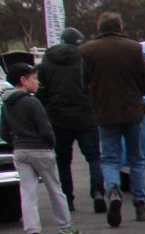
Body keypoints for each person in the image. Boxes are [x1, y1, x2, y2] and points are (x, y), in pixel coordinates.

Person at [81, 11, 145, 226]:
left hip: (104, 112)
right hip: (132, 110)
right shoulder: (134, 48)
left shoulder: (87, 50)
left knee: (110, 158)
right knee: (136, 159)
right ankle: (140, 205)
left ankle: (113, 189)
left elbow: (84, 83)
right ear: (120, 27)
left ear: (99, 29)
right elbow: (144, 82)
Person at [0, 64, 80, 234]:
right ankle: (65, 227)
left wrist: (16, 143)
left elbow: (4, 131)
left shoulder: (6, 103)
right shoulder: (32, 102)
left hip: (20, 150)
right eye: (34, 78)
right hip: (40, 149)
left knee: (27, 192)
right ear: (23, 79)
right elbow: (45, 128)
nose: (38, 82)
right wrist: (51, 144)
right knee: (55, 188)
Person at [36, 27, 104, 212]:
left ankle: (68, 198)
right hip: (85, 116)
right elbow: (93, 84)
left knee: (63, 160)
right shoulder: (84, 60)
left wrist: (47, 108)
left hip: (58, 117)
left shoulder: (47, 61)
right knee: (94, 157)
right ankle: (98, 191)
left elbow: (42, 90)